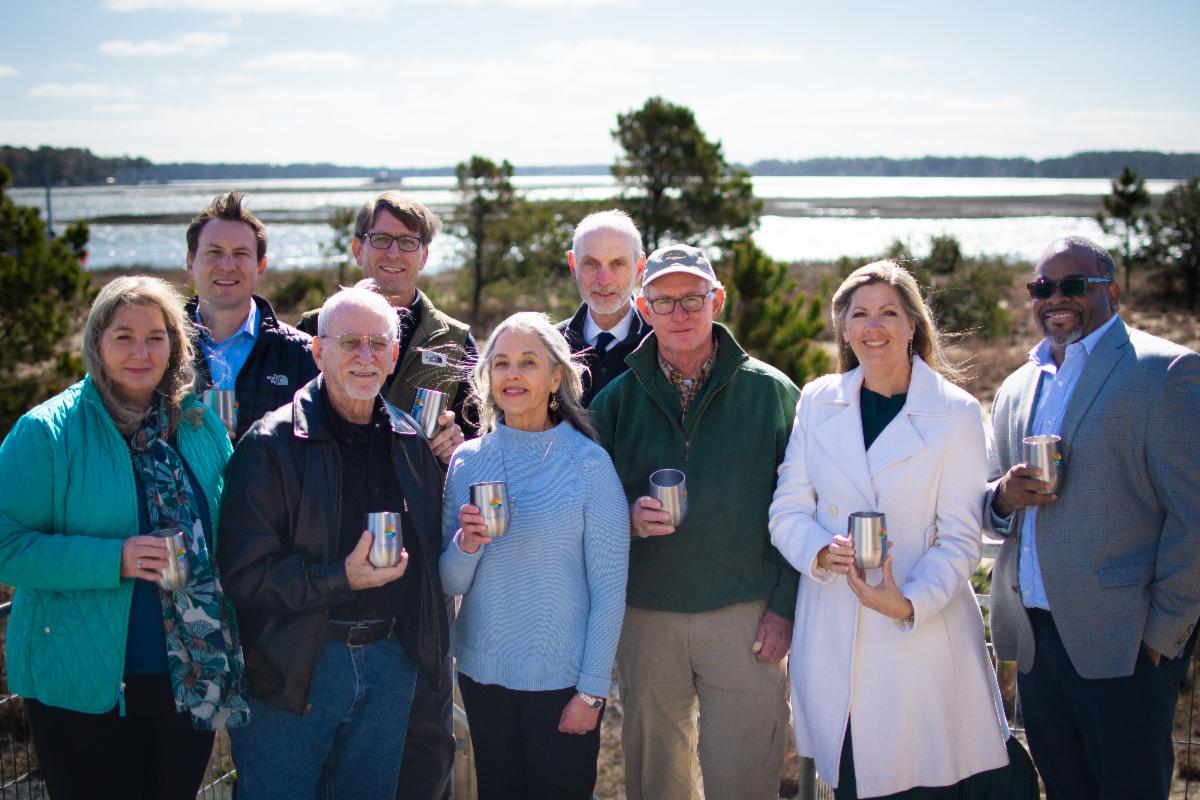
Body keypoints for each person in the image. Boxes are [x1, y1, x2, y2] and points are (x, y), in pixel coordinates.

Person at [769, 261, 1016, 798]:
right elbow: (787, 510)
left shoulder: (955, 413)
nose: (872, 326)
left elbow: (959, 538)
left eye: (887, 313)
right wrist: (818, 552)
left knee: (922, 779)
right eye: (859, 314)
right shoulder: (817, 400)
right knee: (855, 779)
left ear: (912, 326)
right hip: (835, 632)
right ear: (845, 329)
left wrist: (906, 603)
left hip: (922, 641)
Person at [0, 276, 248, 800]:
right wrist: (116, 559)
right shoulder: (45, 432)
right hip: (85, 684)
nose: (141, 351)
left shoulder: (200, 424)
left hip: (191, 674)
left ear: (175, 345)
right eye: (123, 336)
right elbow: (8, 549)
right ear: (96, 342)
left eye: (156, 337)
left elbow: (231, 526)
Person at [986, 236, 1200, 799]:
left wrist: (1159, 638)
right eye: (1042, 287)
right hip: (1037, 645)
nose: (1055, 297)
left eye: (1074, 285)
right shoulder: (1015, 387)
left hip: (1126, 645)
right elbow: (988, 503)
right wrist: (1004, 497)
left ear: (1114, 291)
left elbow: (1194, 518)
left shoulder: (1166, 371)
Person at [217, 286, 449, 800]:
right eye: (350, 343)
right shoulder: (269, 444)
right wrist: (340, 577)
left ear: (394, 356)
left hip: (390, 664)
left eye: (378, 344)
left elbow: (432, 560)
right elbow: (242, 573)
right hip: (292, 670)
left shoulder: (411, 442)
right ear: (318, 352)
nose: (365, 358)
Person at [590, 244, 800, 800]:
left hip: (748, 618)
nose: (679, 314)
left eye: (692, 299)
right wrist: (627, 519)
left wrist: (784, 607)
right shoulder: (614, 402)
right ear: (643, 305)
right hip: (647, 617)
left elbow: (806, 509)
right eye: (664, 302)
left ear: (718, 300)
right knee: (657, 780)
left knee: (744, 776)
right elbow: (588, 509)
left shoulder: (773, 394)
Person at [300, 193, 468, 800]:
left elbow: (480, 445)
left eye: (408, 242)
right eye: (382, 239)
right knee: (334, 741)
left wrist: (458, 443)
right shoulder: (315, 333)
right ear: (357, 247)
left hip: (421, 565)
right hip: (335, 562)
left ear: (425, 254)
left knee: (424, 737)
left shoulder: (454, 342)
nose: (393, 254)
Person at [441, 312, 629, 799]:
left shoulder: (589, 463)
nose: (513, 374)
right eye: (500, 363)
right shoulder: (467, 460)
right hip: (483, 679)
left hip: (563, 684)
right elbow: (450, 583)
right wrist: (467, 544)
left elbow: (609, 592)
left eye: (528, 362)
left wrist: (591, 692)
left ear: (556, 378)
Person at [184, 191, 318, 439]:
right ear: (191, 262)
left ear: (261, 267)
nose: (227, 265)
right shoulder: (160, 347)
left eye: (241, 254)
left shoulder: (304, 355)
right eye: (214, 252)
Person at [556, 209, 650, 405]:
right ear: (573, 265)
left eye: (617, 264)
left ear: (640, 267)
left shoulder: (662, 345)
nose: (604, 280)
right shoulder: (550, 348)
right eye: (591, 264)